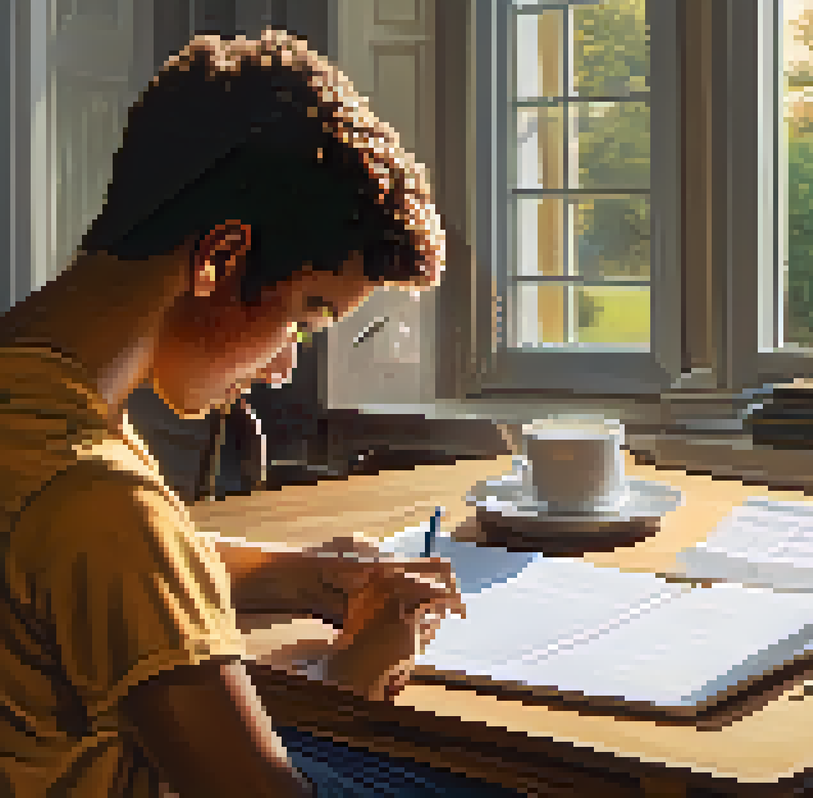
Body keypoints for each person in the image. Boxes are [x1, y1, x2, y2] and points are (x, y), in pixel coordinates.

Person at [0, 28, 517, 797]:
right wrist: (353, 672)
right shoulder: (99, 498)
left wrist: (300, 576)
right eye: (304, 319)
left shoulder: (37, 401)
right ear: (220, 260)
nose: (283, 368)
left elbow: (80, 572)